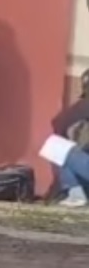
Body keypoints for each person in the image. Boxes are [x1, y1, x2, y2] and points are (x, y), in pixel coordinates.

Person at [50, 69, 89, 207]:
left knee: (55, 146)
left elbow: (57, 123)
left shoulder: (84, 106)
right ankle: (75, 193)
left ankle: (75, 194)